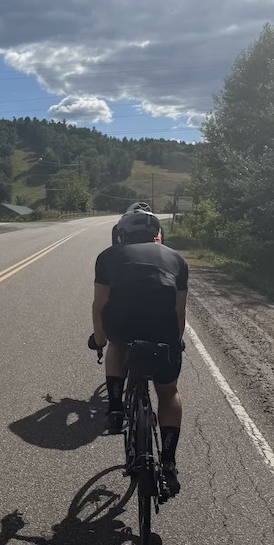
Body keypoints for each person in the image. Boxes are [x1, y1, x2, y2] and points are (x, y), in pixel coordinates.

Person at [89, 208, 188, 497]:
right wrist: (175, 341)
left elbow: (100, 305)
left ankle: (117, 407)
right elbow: (178, 310)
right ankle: (168, 462)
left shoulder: (108, 256)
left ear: (123, 233)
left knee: (117, 345)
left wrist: (100, 339)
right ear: (157, 234)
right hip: (163, 332)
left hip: (124, 327)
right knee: (168, 392)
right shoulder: (177, 259)